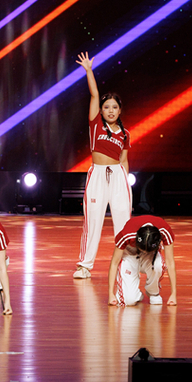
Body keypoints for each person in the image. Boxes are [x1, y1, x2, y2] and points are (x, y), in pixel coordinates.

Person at [74, 52, 131, 279]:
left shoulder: (125, 133)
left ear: (120, 110)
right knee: (93, 221)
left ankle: (126, 265)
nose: (110, 110)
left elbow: (124, 161)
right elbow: (94, 94)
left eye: (114, 107)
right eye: (106, 107)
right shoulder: (96, 124)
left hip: (118, 177)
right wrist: (89, 71)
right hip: (97, 176)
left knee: (123, 221)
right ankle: (85, 266)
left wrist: (126, 186)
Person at [108, 215, 176, 306]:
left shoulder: (165, 230)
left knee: (158, 265)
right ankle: (136, 294)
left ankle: (153, 292)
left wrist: (173, 294)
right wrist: (111, 294)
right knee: (129, 301)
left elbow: (170, 262)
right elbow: (114, 263)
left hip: (151, 255)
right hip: (130, 253)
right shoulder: (126, 234)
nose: (144, 252)